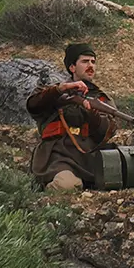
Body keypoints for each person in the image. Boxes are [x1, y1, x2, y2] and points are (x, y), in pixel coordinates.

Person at [27, 43, 118, 191]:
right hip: (59, 156)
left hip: (91, 157)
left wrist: (91, 112)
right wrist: (60, 90)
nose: (91, 66)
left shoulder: (101, 99)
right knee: (67, 185)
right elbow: (33, 105)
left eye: (93, 62)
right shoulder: (54, 92)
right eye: (85, 61)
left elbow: (106, 131)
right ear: (72, 67)